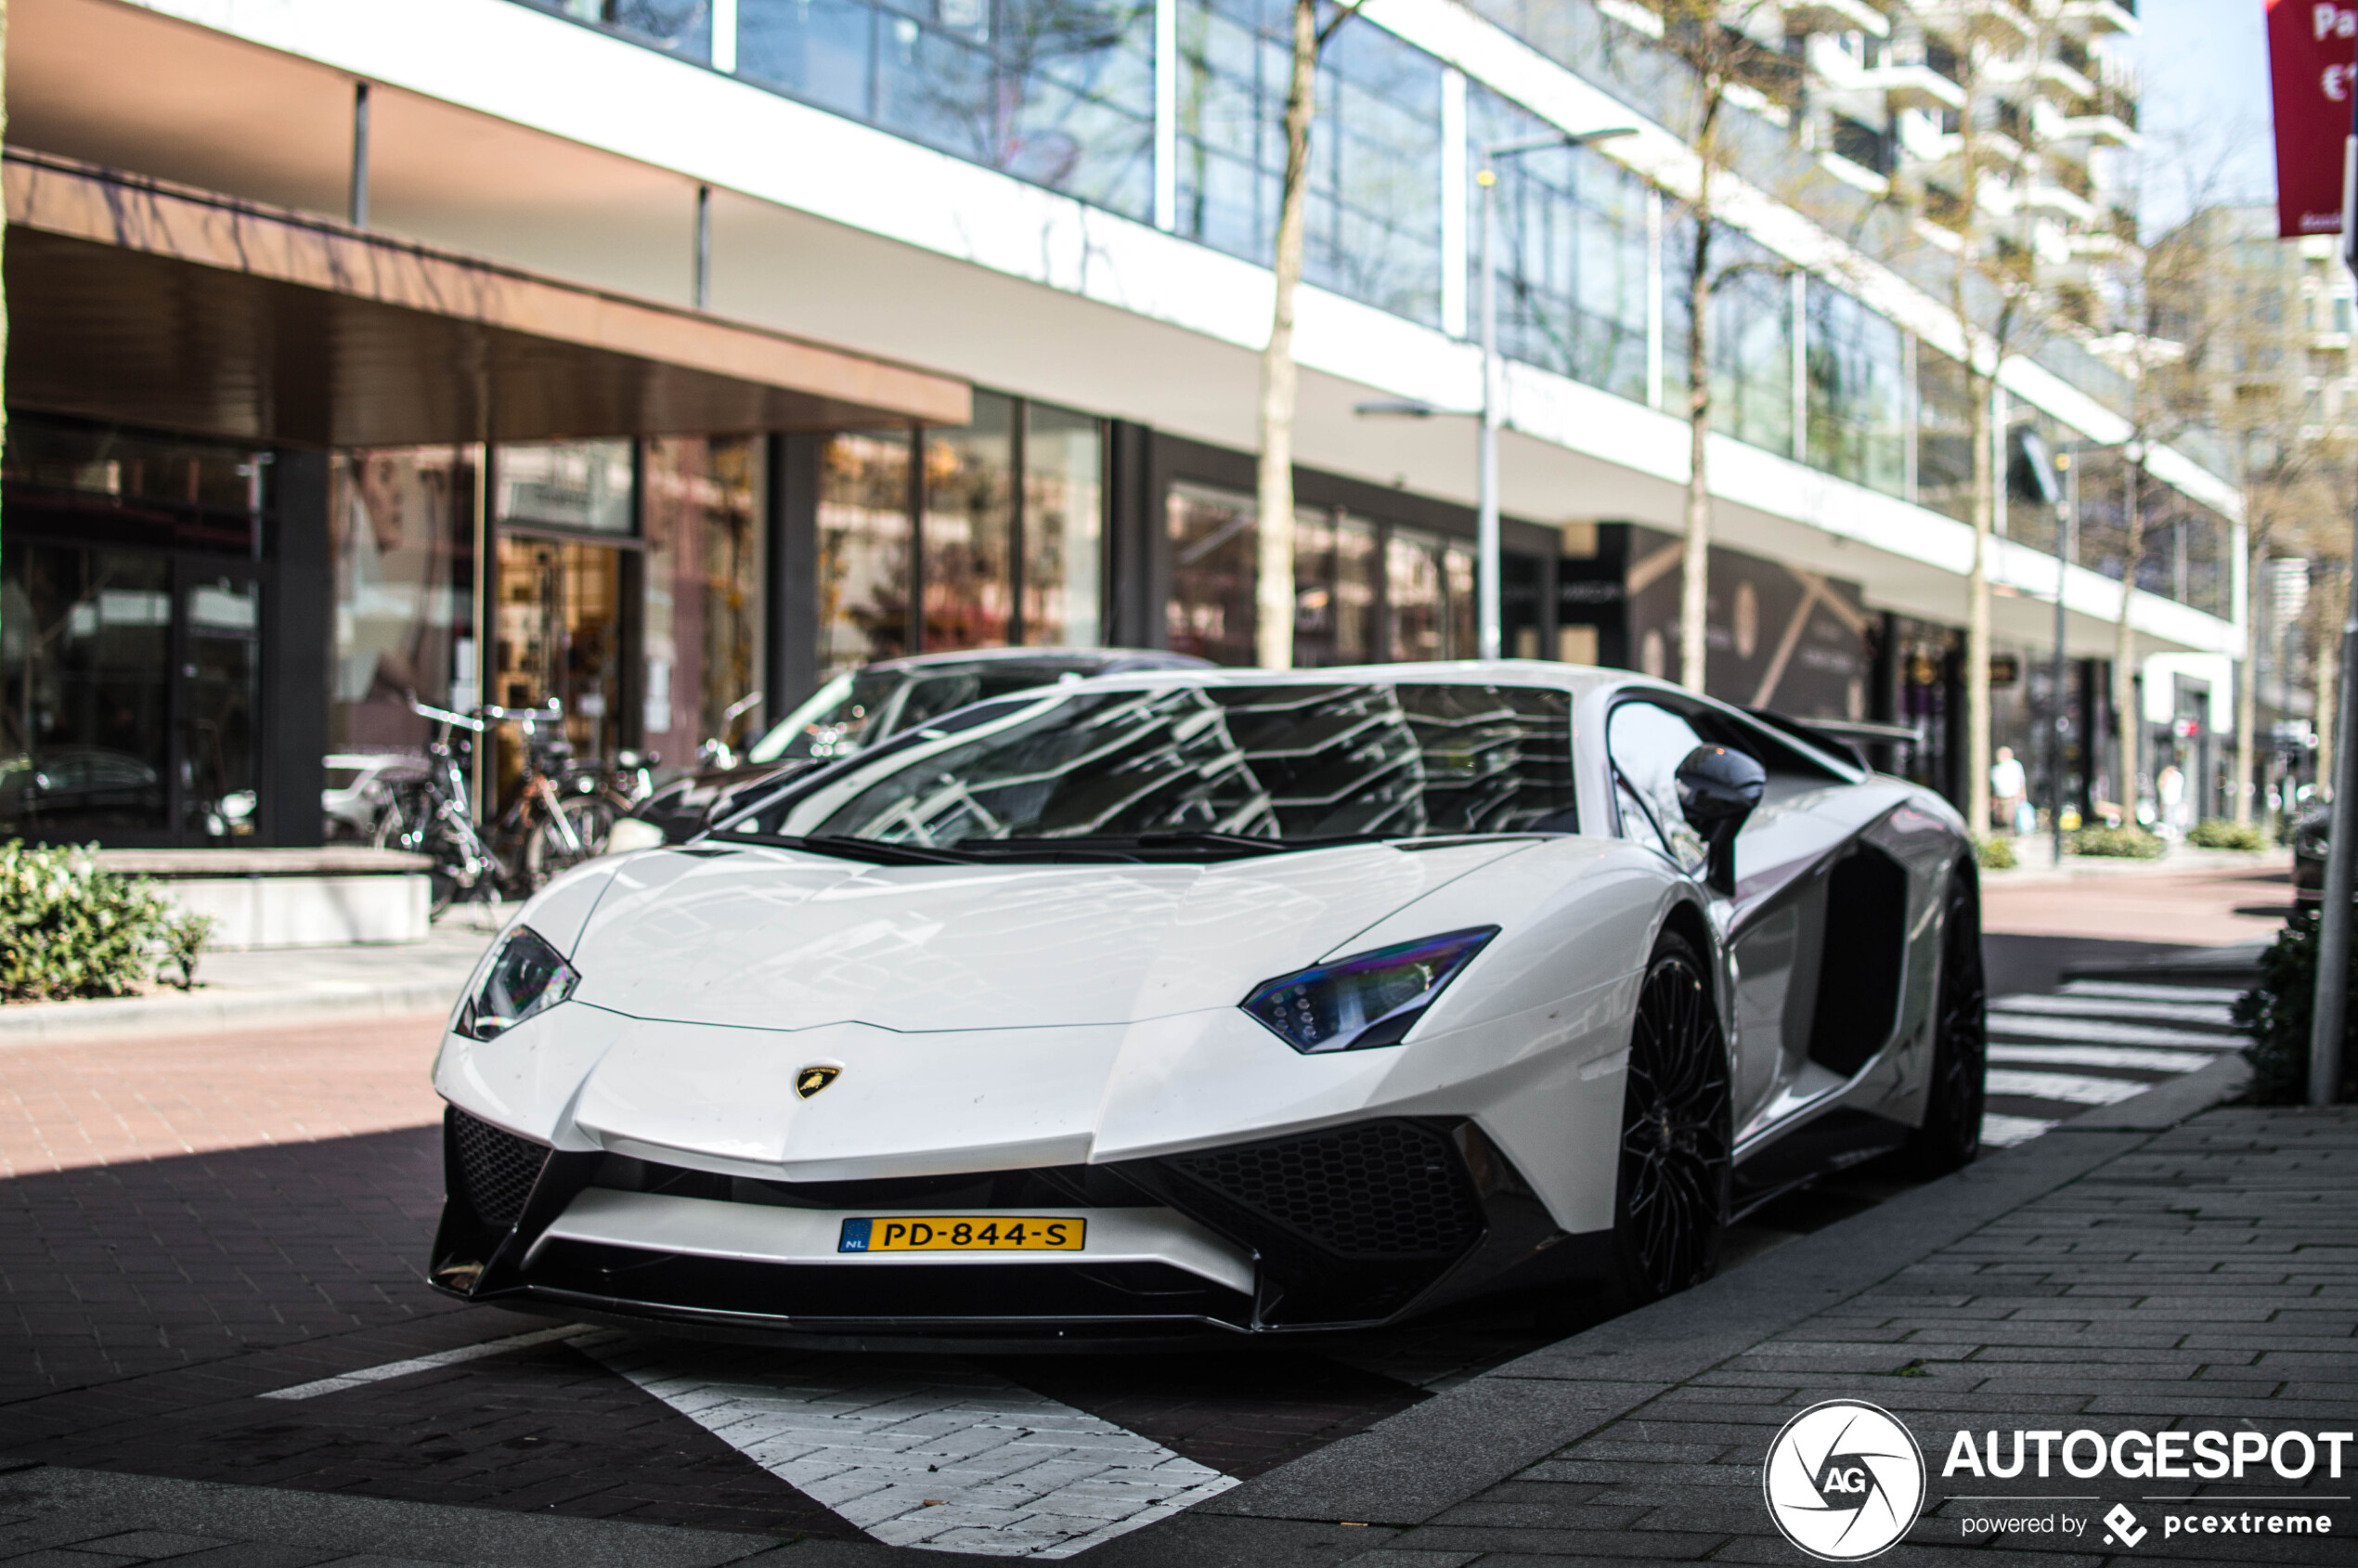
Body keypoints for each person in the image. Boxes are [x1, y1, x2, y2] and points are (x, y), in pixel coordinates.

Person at [1990, 746, 2028, 835]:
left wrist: (2022, 793)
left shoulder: (2015, 766)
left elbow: (2021, 781)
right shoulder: (1996, 768)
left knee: (2010, 816)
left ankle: (2011, 832)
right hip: (2000, 796)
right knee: (2000, 817)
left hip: (2011, 795)